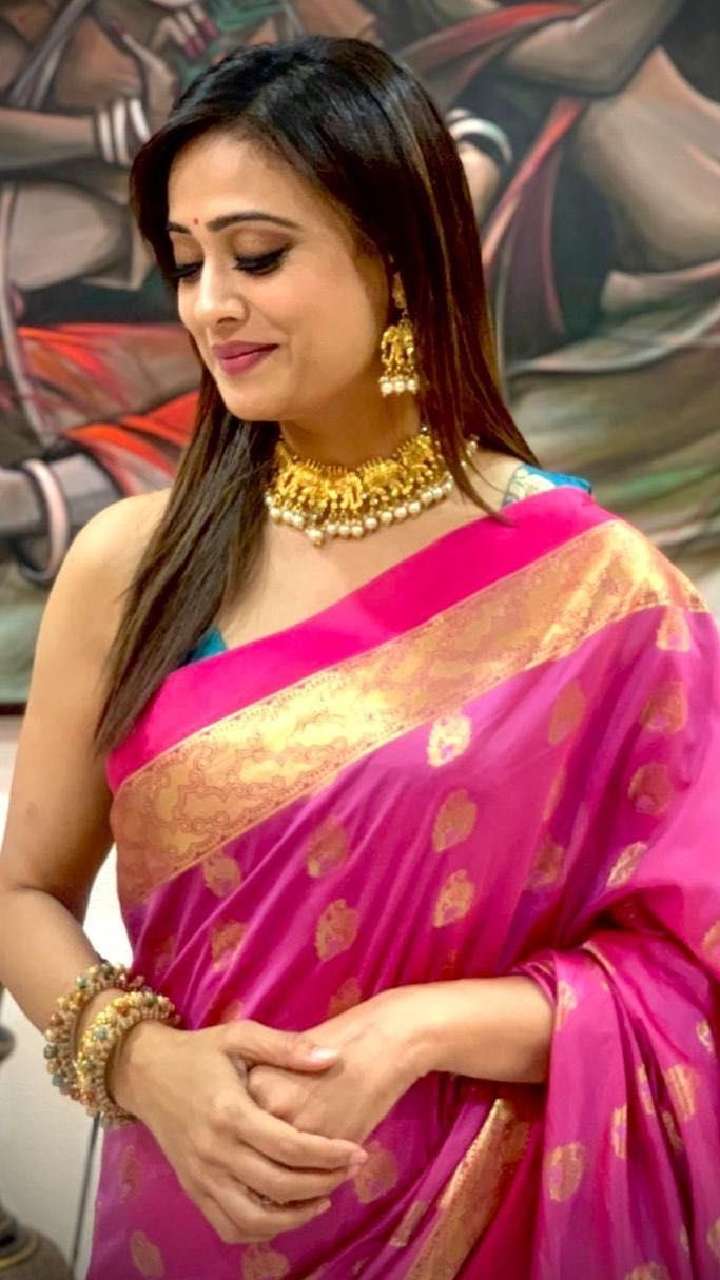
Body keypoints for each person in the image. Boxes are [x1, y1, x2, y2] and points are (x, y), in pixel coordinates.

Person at [0, 34, 719, 1280]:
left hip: (486, 1213)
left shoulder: (600, 592)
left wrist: (420, 1026)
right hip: (192, 1209)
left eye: (256, 256)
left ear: (395, 260)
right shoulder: (131, 563)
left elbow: (689, 972)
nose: (209, 305)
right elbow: (22, 896)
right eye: (187, 261)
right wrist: (142, 1060)